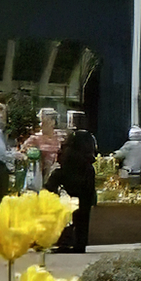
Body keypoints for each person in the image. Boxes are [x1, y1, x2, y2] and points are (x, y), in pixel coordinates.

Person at [49, 109, 99, 253]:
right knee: (83, 215)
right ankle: (80, 244)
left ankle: (67, 243)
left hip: (72, 179)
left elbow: (65, 156)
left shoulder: (73, 137)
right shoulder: (90, 137)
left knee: (70, 215)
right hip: (86, 178)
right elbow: (93, 154)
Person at [22, 107, 61, 192]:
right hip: (39, 175)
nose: (40, 124)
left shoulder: (60, 137)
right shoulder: (35, 139)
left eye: (44, 121)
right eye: (40, 121)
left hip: (58, 175)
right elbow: (23, 153)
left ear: (53, 122)